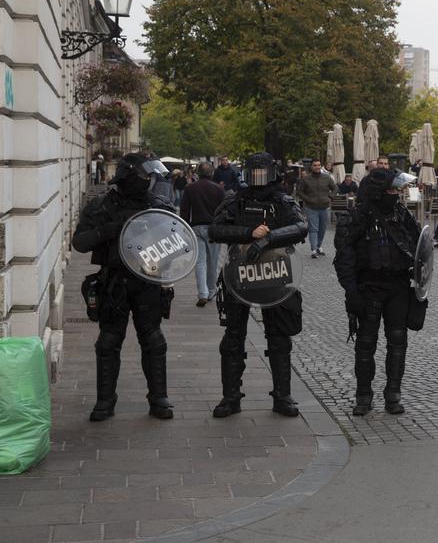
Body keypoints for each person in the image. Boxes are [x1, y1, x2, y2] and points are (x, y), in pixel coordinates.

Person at [72, 153, 177, 421]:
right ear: (129, 177)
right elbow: (80, 242)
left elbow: (178, 240)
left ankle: (159, 398)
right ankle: (105, 401)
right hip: (114, 281)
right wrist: (110, 229)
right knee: (108, 342)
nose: (149, 180)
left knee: (153, 341)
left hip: (147, 280)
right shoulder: (101, 206)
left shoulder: (157, 206)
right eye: (144, 176)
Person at [209, 152, 308, 418]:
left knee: (279, 338)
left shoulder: (283, 201)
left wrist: (268, 239)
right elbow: (215, 230)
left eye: (262, 174)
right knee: (232, 338)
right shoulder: (236, 201)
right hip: (238, 275)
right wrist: (248, 234)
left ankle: (282, 396)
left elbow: (301, 227)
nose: (258, 179)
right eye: (253, 174)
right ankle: (231, 397)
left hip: (275, 273)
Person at [334, 169, 424, 416]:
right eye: (392, 190)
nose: (396, 194)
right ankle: (363, 395)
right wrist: (351, 291)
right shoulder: (355, 217)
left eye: (397, 190)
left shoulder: (402, 214)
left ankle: (393, 394)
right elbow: (343, 258)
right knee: (365, 344)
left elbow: (420, 250)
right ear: (378, 191)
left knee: (398, 342)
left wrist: (420, 284)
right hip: (368, 288)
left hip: (398, 287)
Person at [180, 161, 226, 307]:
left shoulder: (190, 188)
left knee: (200, 263)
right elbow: (223, 211)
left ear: (197, 173)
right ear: (212, 173)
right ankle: (211, 291)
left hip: (196, 228)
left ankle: (203, 293)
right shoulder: (218, 189)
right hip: (213, 229)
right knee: (212, 262)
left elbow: (185, 211)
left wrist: (185, 228)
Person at [295, 158, 336, 258]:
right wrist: (307, 199)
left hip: (325, 207)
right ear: (311, 167)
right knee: (313, 229)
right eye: (315, 165)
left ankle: (319, 246)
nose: (317, 167)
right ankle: (313, 249)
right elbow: (299, 192)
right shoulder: (306, 179)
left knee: (322, 228)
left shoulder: (327, 177)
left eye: (318, 165)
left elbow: (335, 188)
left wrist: (330, 197)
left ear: (320, 166)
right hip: (311, 207)